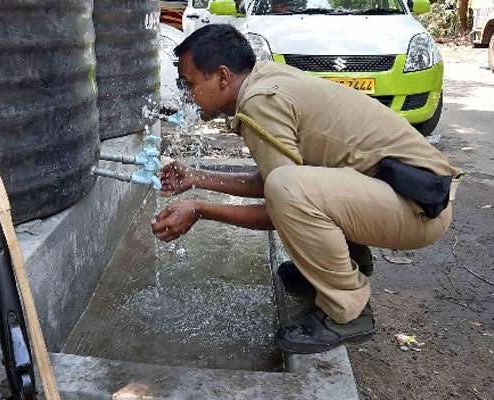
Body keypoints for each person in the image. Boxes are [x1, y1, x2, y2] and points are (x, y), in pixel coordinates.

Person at [151, 24, 461, 354]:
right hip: (405, 192)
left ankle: (349, 311)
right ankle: (343, 265)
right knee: (291, 184)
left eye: (190, 84)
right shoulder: (264, 79)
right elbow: (274, 180)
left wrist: (201, 209)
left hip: (419, 207)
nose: (186, 96)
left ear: (223, 77)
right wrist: (197, 177)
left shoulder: (259, 103)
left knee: (288, 189)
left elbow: (281, 202)